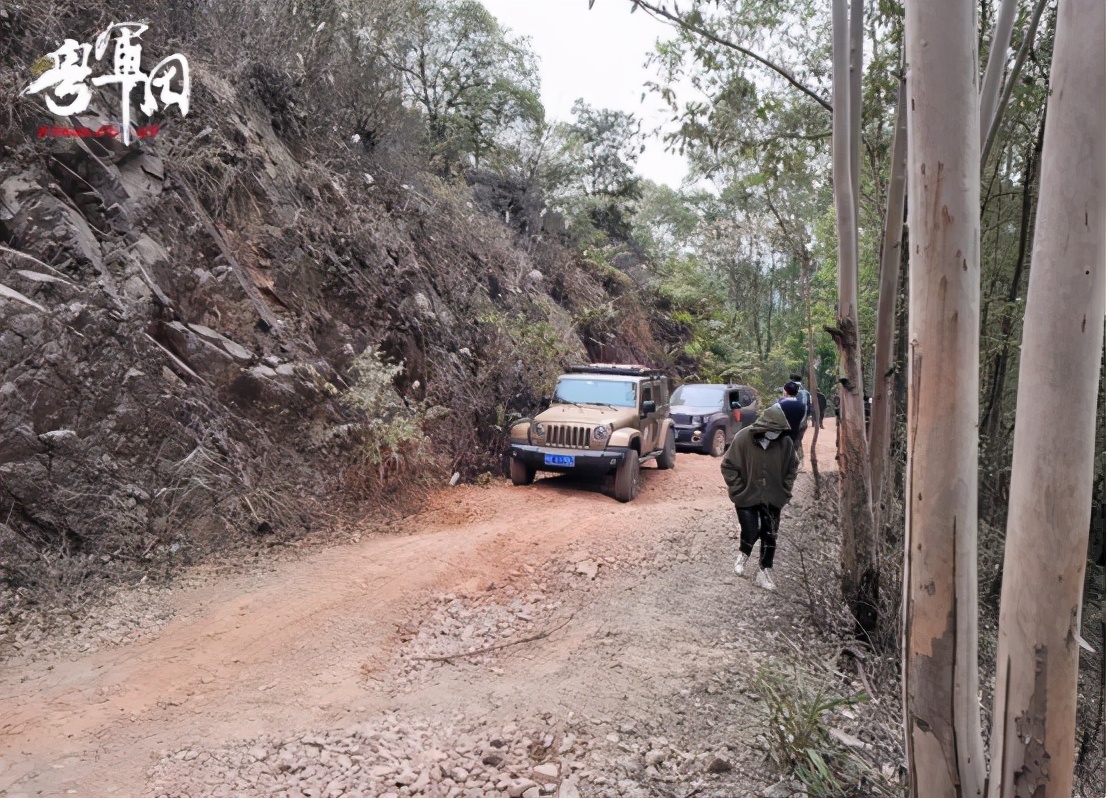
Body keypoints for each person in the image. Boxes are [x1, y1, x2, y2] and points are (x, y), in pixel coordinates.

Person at [720, 404, 799, 590]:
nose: (775, 435)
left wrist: (785, 490)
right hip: (746, 495)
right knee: (751, 530)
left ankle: (763, 571)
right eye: (773, 430)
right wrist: (738, 489)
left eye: (779, 431)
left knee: (770, 534)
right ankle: (743, 555)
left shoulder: (785, 443)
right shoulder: (743, 439)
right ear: (764, 427)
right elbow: (727, 466)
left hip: (773, 496)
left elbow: (792, 468)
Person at [776, 381, 808, 461]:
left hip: (783, 435)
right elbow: (803, 420)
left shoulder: (779, 404)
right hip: (795, 433)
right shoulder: (803, 406)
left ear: (785, 391)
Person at [788, 373, 812, 448]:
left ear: (791, 380)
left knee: (789, 444)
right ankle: (798, 457)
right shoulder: (807, 393)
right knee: (798, 443)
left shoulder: (787, 390)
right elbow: (809, 409)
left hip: (789, 423)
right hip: (803, 422)